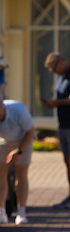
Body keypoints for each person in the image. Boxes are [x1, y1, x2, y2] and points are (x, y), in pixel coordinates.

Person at [0, 96, 35, 226]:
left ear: (4, 109)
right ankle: (0, 211)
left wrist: (19, 151)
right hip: (1, 141)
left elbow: (30, 132)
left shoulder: (19, 111)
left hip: (22, 140)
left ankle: (21, 212)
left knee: (20, 173)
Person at [43, 51, 70, 207]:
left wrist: (56, 103)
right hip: (63, 124)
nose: (53, 72)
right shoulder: (61, 78)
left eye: (53, 69)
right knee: (67, 161)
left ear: (60, 62)